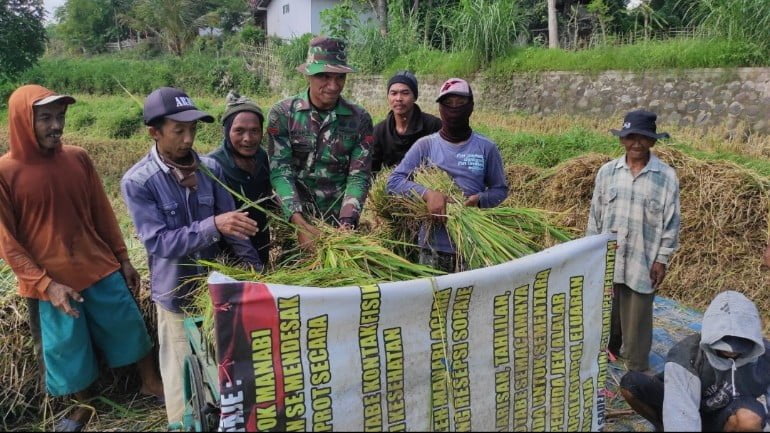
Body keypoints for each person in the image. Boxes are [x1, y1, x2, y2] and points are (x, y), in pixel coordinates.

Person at [0, 85, 163, 432]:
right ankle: (84, 405)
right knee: (66, 350)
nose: (56, 126)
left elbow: (102, 212)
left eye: (60, 117)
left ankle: (151, 382)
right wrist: (46, 284)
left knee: (129, 327)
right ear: (21, 120)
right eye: (45, 118)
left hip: (98, 266)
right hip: (50, 281)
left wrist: (122, 257)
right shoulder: (5, 173)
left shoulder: (78, 158)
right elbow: (8, 243)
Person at [121, 87, 263, 425]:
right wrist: (213, 224)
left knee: (220, 372)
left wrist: (257, 277)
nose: (188, 139)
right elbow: (160, 243)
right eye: (179, 131)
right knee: (182, 376)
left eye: (194, 130)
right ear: (154, 132)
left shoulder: (210, 168)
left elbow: (237, 228)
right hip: (178, 296)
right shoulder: (139, 181)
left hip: (216, 292)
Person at [586, 109, 681, 372]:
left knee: (637, 317)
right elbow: (595, 215)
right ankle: (608, 351)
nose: (636, 143)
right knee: (608, 311)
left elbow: (671, 223)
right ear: (622, 139)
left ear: (653, 141)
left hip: (643, 260)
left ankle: (637, 369)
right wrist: (591, 252)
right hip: (610, 257)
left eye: (643, 138)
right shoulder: (607, 173)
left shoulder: (665, 177)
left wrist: (662, 259)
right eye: (630, 137)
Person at [387, 78, 509, 273]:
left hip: (473, 243)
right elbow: (393, 183)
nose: (454, 108)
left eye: (460, 103)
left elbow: (500, 190)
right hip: (433, 245)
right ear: (440, 108)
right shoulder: (426, 145)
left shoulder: (486, 147)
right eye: (448, 103)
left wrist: (480, 199)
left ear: (471, 107)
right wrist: (427, 194)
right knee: (434, 301)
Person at [266, 36, 374, 250]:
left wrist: (347, 223)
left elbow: (359, 175)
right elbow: (280, 172)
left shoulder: (359, 119)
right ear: (308, 75)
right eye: (324, 76)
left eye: (340, 77)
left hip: (340, 224)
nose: (333, 86)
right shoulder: (283, 114)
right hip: (293, 220)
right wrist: (300, 225)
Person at [619, 290, 770, 432]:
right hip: (689, 407)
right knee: (631, 382)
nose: (731, 351)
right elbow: (680, 411)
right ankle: (662, 426)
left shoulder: (766, 356)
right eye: (724, 345)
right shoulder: (686, 355)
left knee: (749, 419)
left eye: (739, 345)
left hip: (727, 414)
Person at [205, 91, 272, 265]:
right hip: (227, 255)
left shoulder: (262, 157)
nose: (248, 139)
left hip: (261, 243)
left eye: (255, 131)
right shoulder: (212, 166)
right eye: (239, 131)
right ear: (227, 131)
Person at [372, 70, 441, 174]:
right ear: (388, 97)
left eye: (405, 93)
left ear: (415, 96)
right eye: (393, 93)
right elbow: (372, 168)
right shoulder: (379, 131)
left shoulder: (433, 126)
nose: (398, 98)